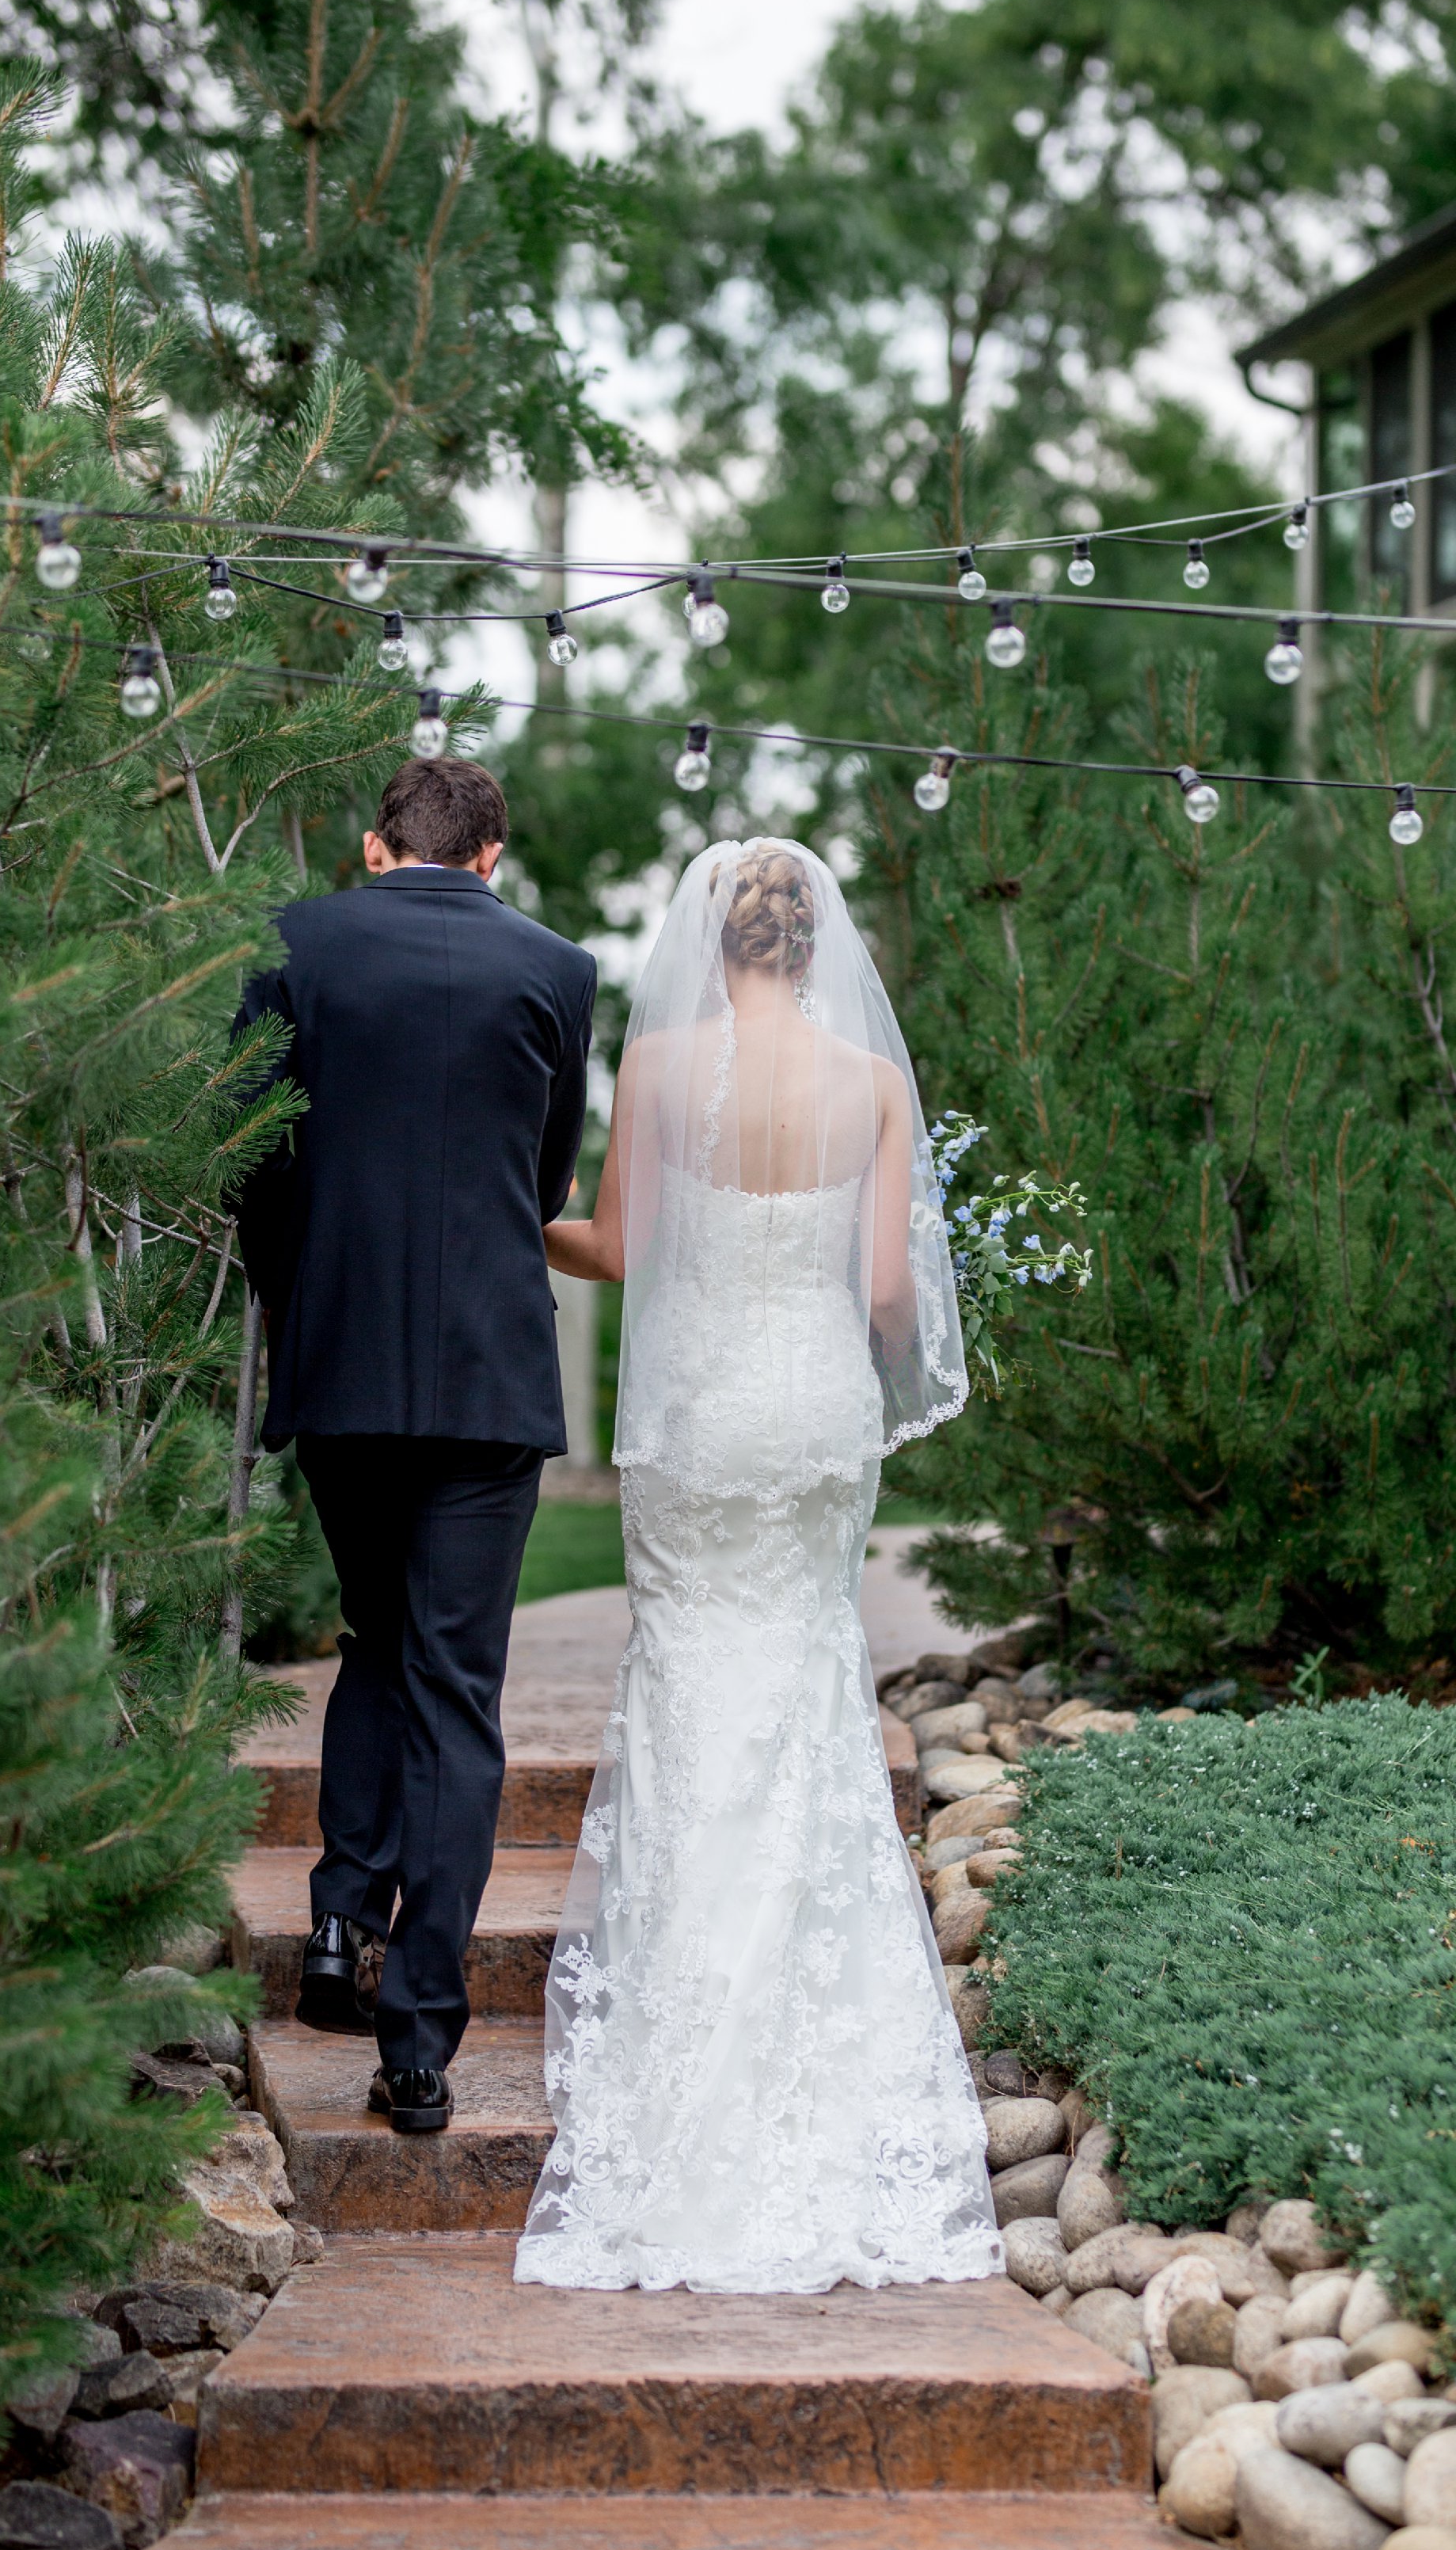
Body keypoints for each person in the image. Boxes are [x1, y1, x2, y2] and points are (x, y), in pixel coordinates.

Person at [513, 838, 1002, 2293]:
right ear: (810, 945)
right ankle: (816, 2032)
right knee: (804, 1688)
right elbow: (889, 1287)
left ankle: (689, 2040)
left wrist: (501, 1211)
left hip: (698, 1417)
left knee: (693, 1694)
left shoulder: (661, 1067)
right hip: (812, 1417)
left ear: (714, 940)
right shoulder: (877, 1085)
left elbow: (614, 1245)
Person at [230, 755, 596, 2136]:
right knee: (454, 1686)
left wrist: (304, 1285)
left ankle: (337, 1922)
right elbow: (545, 1180)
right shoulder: (558, 969)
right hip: (490, 1377)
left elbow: (257, 1158)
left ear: (375, 847)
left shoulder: (294, 939)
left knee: (374, 1637)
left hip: (342, 1365)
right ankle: (420, 2038)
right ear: (491, 855)